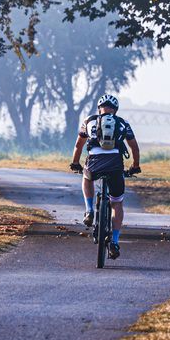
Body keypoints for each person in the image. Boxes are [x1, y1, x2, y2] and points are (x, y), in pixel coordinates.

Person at [70, 94, 141, 259]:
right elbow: (134, 148)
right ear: (115, 110)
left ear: (98, 108)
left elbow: (78, 144)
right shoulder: (123, 123)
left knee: (87, 178)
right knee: (117, 203)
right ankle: (115, 241)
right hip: (115, 164)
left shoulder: (89, 121)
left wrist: (75, 162)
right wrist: (135, 166)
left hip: (94, 162)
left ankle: (89, 211)